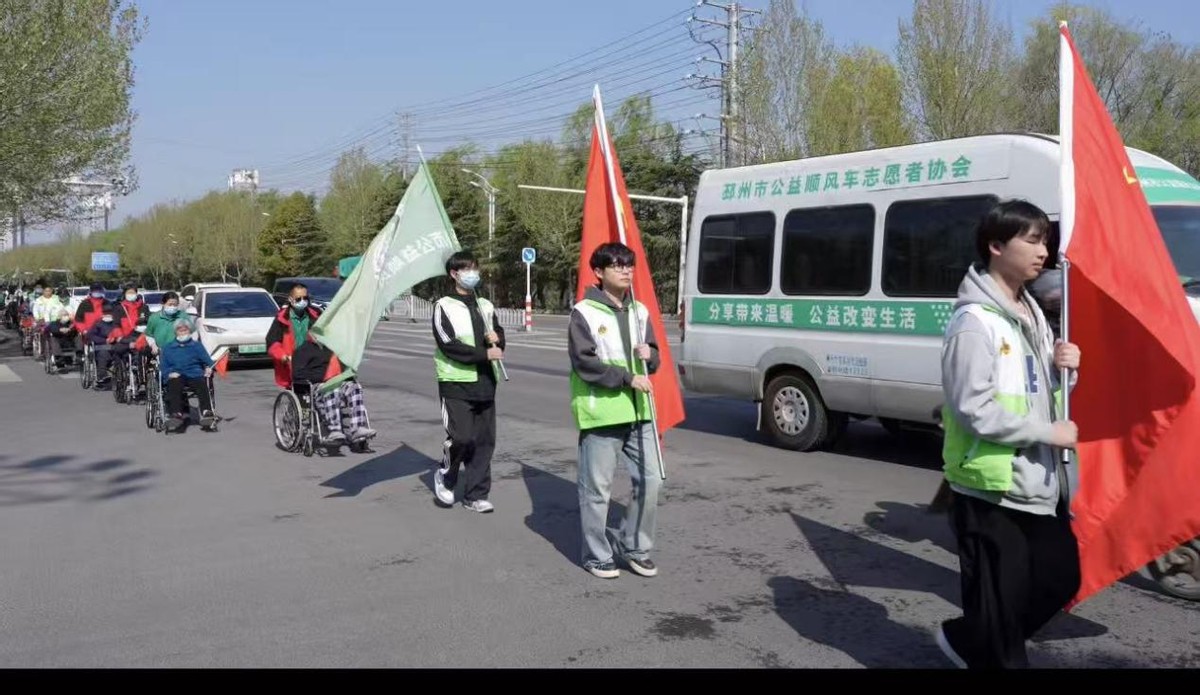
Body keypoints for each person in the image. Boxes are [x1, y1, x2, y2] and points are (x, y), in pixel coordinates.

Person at [935, 200, 1082, 670]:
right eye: (1032, 241)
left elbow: (1041, 394)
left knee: (1060, 579)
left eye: (1046, 242)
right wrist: (1048, 432)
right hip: (990, 488)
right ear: (996, 246)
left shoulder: (1031, 312)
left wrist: (1066, 371)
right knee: (1003, 624)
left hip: (1037, 483)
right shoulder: (973, 323)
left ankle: (968, 639)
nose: (1044, 252)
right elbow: (973, 409)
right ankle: (985, 646)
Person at [568, 242, 663, 580]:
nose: (625, 270)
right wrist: (626, 377)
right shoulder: (584, 312)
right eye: (617, 265)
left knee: (651, 481)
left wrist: (650, 355)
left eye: (629, 264)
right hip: (603, 413)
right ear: (599, 271)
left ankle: (634, 546)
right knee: (597, 491)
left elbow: (655, 358)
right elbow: (584, 362)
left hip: (640, 412)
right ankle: (597, 555)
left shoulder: (640, 311)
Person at [431, 250, 505, 513]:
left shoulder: (485, 305)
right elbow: (448, 344)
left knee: (484, 442)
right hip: (455, 382)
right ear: (454, 274)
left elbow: (498, 337)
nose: (472, 273)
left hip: (485, 381)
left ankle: (476, 495)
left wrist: (497, 340)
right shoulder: (443, 306)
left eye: (475, 268)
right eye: (466, 269)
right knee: (461, 437)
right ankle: (446, 475)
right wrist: (484, 354)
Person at [292, 337, 376, 446]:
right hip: (317, 387)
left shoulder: (333, 347)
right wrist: (324, 379)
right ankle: (334, 430)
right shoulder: (303, 350)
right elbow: (297, 375)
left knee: (355, 387)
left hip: (338, 383)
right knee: (331, 388)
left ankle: (358, 428)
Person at [158, 320, 217, 431]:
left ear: (189, 331)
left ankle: (206, 411)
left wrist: (209, 368)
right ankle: (176, 413)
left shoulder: (197, 346)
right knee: (174, 385)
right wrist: (169, 374)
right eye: (180, 330)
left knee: (201, 384)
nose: (183, 333)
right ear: (175, 332)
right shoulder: (168, 348)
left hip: (194, 373)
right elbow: (163, 366)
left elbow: (209, 362)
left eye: (185, 330)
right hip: (176, 374)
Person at [267, 283, 322, 389]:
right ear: (290, 299)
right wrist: (282, 356)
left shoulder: (315, 316)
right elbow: (272, 342)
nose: (302, 301)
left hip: (313, 363)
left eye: (305, 298)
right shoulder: (281, 318)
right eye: (298, 299)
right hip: (291, 364)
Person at [85, 303, 121, 389]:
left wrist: (116, 338)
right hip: (101, 346)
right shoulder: (97, 324)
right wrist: (104, 340)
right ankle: (102, 376)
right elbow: (90, 336)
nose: (108, 315)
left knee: (122, 353)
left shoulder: (116, 324)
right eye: (106, 313)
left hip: (114, 345)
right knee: (103, 354)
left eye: (110, 313)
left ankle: (121, 375)